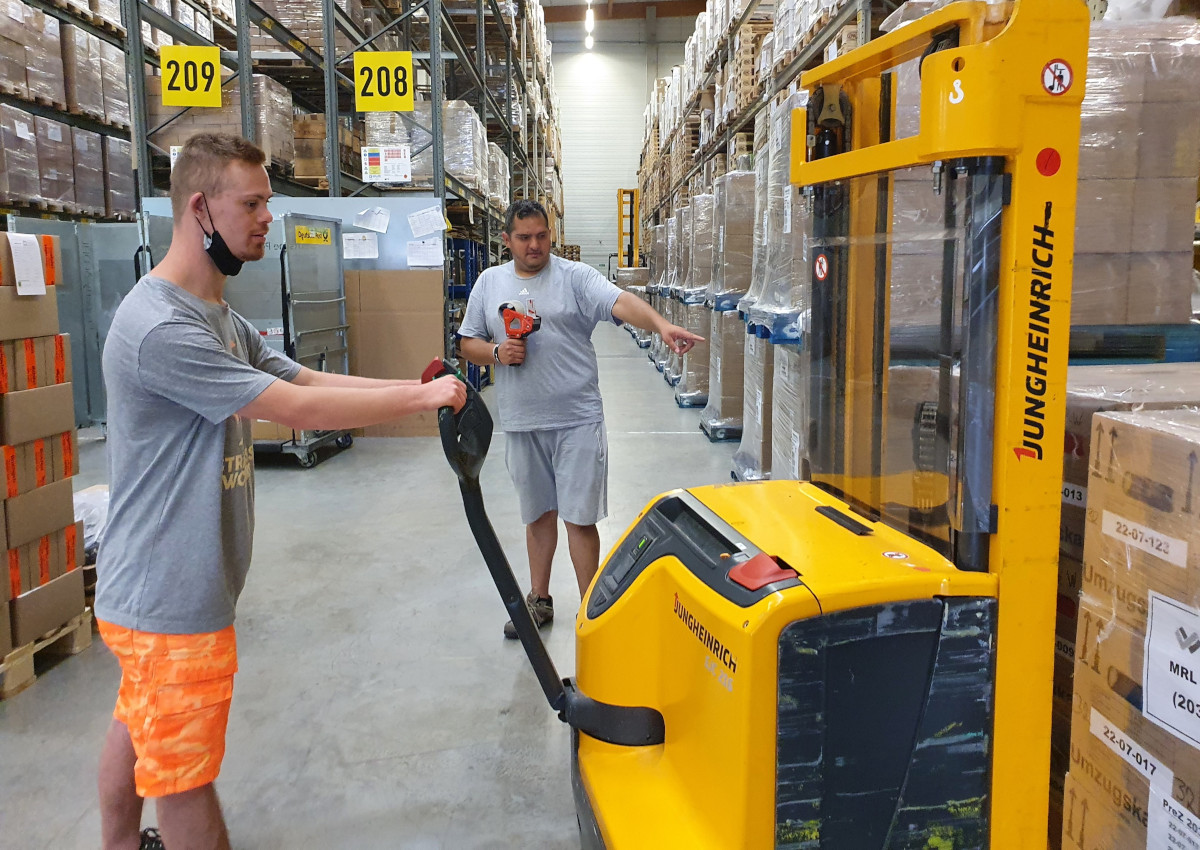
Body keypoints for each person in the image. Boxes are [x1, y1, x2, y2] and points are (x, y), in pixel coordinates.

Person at [93, 133, 466, 850]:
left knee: (142, 729)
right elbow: (292, 411)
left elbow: (305, 378)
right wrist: (419, 406)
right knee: (183, 780)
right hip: (169, 596)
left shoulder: (219, 317)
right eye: (254, 202)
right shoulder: (163, 328)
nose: (270, 217)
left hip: (156, 590)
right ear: (201, 209)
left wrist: (417, 388)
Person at [458, 200, 703, 638]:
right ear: (506, 240)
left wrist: (661, 326)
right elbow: (467, 343)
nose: (535, 246)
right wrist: (496, 353)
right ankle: (539, 599)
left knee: (579, 518)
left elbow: (620, 301)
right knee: (536, 516)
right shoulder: (489, 282)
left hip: (576, 419)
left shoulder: (575, 277)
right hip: (522, 422)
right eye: (524, 238)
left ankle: (591, 612)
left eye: (541, 236)